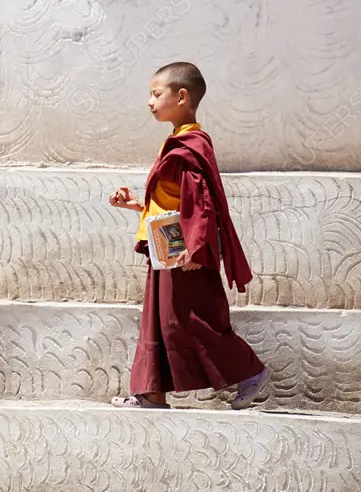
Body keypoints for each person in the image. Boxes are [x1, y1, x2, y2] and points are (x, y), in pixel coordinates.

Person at [109, 62, 271, 409]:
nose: (150, 102)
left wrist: (196, 250)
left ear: (181, 96)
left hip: (185, 255)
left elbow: (201, 203)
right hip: (167, 248)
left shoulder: (187, 148)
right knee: (161, 321)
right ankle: (151, 392)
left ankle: (250, 372)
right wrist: (137, 205)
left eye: (156, 94)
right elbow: (177, 203)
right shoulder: (179, 143)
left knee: (194, 321)